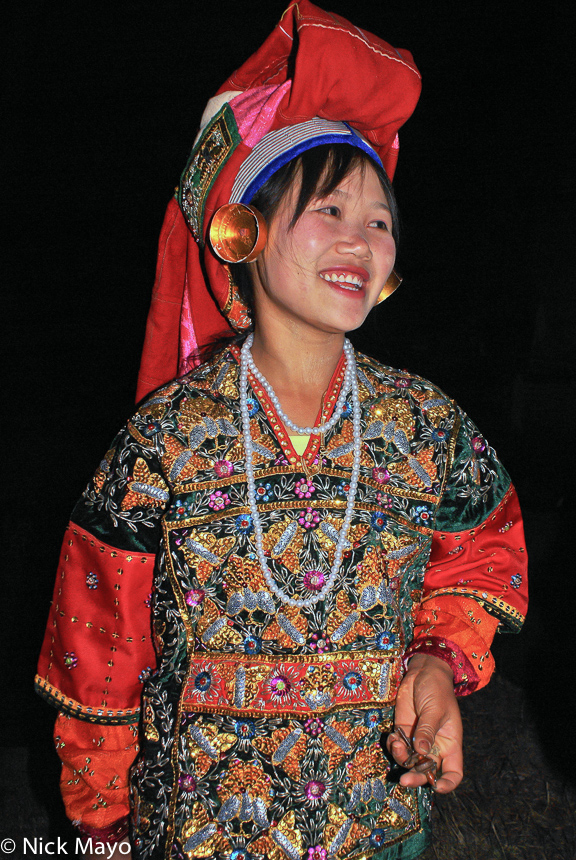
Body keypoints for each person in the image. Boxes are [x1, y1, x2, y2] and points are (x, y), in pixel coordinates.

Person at [36, 3, 528, 859]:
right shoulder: (165, 440)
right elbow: (98, 658)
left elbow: (483, 550)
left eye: (379, 219)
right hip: (200, 835)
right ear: (243, 231)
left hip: (379, 827)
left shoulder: (427, 426)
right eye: (328, 210)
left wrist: (436, 664)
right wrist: (104, 830)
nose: (362, 237)